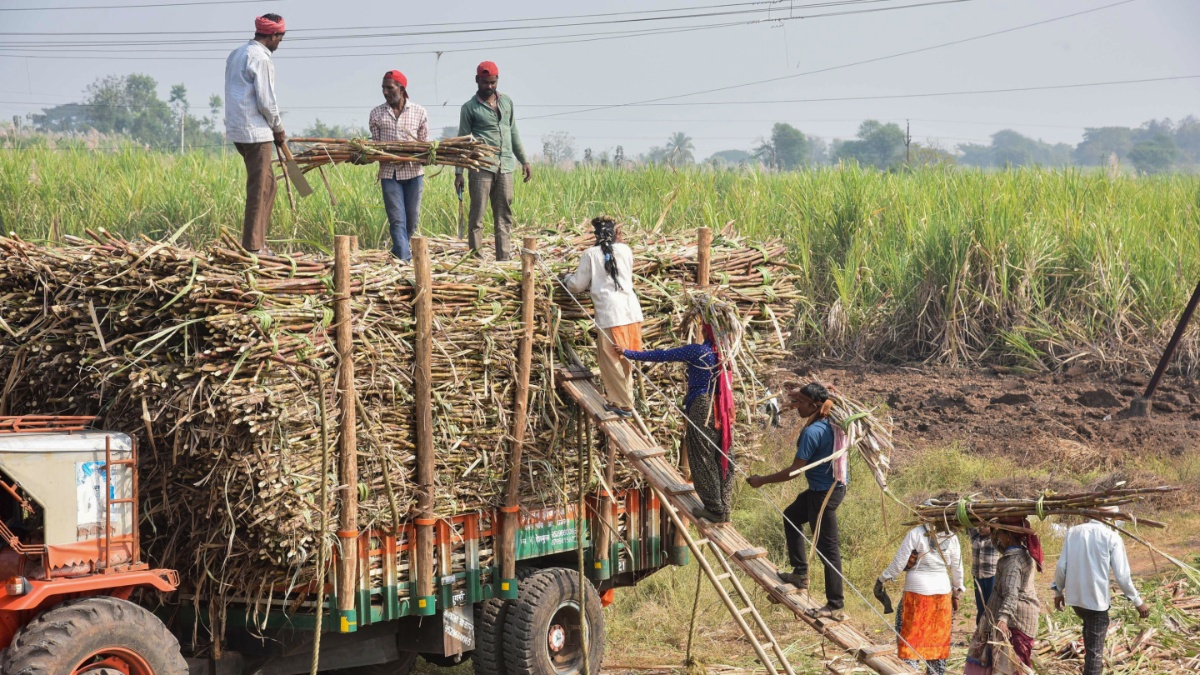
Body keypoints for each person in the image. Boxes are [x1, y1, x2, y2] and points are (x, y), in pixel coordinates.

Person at [624, 299, 736, 524]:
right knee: (722, 454)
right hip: (723, 408)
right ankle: (724, 507)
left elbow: (663, 355)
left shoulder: (699, 351)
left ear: (707, 328)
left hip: (703, 406)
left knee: (702, 456)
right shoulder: (727, 354)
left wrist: (628, 353)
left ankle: (713, 508)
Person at [747, 383, 847, 620]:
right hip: (826, 489)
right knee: (791, 516)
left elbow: (794, 472)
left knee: (827, 550)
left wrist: (762, 480)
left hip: (824, 494)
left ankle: (835, 604)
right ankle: (800, 573)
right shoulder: (830, 423)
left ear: (813, 406)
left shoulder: (813, 432)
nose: (796, 406)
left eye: (800, 402)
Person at [1052, 507, 1151, 675]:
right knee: (1095, 654)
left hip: (1076, 600)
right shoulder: (1112, 537)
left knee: (1089, 633)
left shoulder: (1073, 532)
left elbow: (1061, 566)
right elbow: (1122, 576)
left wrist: (1058, 591)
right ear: (1111, 517)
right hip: (1096, 602)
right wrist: (1137, 601)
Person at [562, 216, 643, 418]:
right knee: (627, 357)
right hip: (632, 312)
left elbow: (577, 285)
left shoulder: (590, 254)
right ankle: (627, 400)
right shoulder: (626, 250)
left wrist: (565, 278)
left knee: (610, 360)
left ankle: (621, 403)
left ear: (595, 235)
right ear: (615, 234)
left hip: (610, 314)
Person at [454, 61, 531, 261]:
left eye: (493, 82)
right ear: (477, 80)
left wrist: (524, 161)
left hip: (505, 166)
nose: (489, 86)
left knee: (504, 216)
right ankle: (477, 259)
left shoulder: (506, 103)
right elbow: (462, 141)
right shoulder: (469, 108)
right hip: (481, 167)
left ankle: (503, 259)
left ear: (497, 81)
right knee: (477, 215)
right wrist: (459, 173)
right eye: (485, 83)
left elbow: (513, 132)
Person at [225, 13, 287, 256]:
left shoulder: (237, 53)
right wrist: (278, 128)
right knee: (259, 188)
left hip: (239, 130)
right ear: (272, 35)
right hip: (256, 132)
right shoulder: (261, 58)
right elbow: (266, 100)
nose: (279, 44)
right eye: (279, 39)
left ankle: (259, 242)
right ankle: (253, 247)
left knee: (270, 186)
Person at [877, 521, 965, 675]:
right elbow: (957, 569)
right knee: (937, 641)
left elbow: (899, 563)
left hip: (916, 595)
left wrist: (882, 579)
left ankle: (909, 671)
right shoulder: (952, 537)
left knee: (909, 640)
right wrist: (956, 591)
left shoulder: (916, 533)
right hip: (942, 596)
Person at [366, 70, 429, 261]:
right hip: (389, 174)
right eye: (383, 88)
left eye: (389, 87)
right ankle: (404, 262)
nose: (385, 92)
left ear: (401, 89)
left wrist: (421, 155)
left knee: (411, 221)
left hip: (414, 174)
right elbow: (376, 147)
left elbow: (425, 145)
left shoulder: (419, 112)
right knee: (397, 220)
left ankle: (397, 252)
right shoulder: (376, 114)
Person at [966, 518, 1041, 675]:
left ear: (1008, 535)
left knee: (1012, 667)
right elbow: (997, 544)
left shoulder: (1012, 563)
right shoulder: (1021, 554)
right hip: (1022, 619)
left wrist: (1003, 618)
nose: (997, 536)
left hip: (1016, 621)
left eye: (1000, 533)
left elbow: (1011, 593)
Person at [969, 526, 1000, 625]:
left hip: (991, 577)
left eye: (984, 526)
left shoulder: (995, 538)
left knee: (991, 605)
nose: (981, 528)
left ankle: (991, 630)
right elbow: (968, 523)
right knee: (980, 606)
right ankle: (980, 630)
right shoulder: (975, 536)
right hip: (977, 577)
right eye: (979, 525)